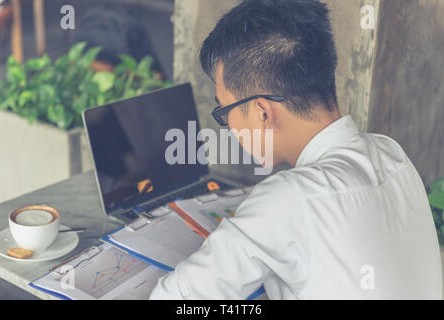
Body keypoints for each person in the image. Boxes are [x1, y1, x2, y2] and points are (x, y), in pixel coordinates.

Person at [149, 0, 442, 299]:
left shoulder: (289, 199)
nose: (230, 128)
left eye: (224, 112)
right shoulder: (392, 154)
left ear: (263, 111)